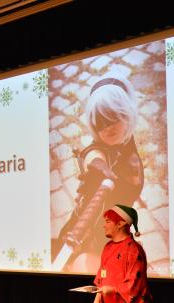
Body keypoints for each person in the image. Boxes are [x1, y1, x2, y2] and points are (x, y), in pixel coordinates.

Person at [54, 72, 145, 272]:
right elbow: (91, 154)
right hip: (85, 237)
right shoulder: (99, 150)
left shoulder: (126, 143)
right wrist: (99, 166)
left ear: (126, 113)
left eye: (113, 117)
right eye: (100, 122)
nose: (108, 128)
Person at [90, 205, 151, 303]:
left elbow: (135, 283)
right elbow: (102, 275)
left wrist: (112, 289)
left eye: (108, 221)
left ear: (121, 223)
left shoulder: (134, 250)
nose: (104, 225)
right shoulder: (107, 248)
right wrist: (97, 299)